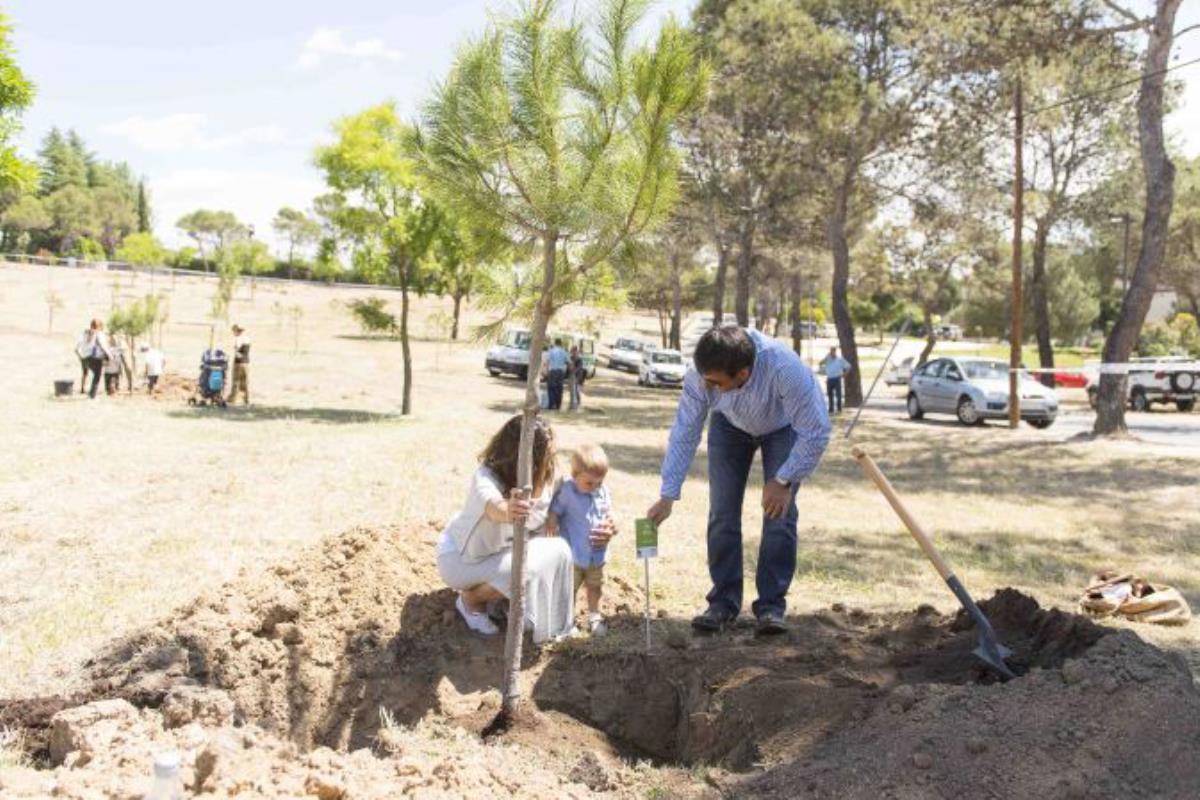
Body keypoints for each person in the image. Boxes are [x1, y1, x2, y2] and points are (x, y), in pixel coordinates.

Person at [645, 326, 831, 636]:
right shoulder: (700, 374)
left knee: (779, 515)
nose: (708, 387)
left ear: (743, 374)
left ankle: (771, 607)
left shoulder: (785, 368)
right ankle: (723, 603)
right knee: (722, 511)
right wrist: (668, 494)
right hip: (730, 427)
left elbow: (816, 431)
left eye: (717, 383)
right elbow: (685, 430)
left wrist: (783, 479)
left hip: (783, 428)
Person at [436, 414, 580, 643]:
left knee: (559, 548)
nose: (554, 455)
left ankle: (546, 620)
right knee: (520, 568)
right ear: (524, 456)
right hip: (463, 558)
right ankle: (471, 600)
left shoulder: (550, 476)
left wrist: (605, 522)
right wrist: (508, 510)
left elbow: (579, 498)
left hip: (506, 551)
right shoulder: (486, 477)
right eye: (548, 452)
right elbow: (494, 506)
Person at [547, 443, 616, 636]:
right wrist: (552, 522)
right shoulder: (568, 492)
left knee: (595, 586)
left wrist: (612, 525)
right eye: (589, 483)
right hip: (573, 554)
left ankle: (594, 616)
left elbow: (610, 515)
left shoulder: (602, 491)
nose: (595, 487)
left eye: (599, 483)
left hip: (597, 554)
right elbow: (555, 510)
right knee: (569, 589)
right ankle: (565, 621)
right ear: (575, 474)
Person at [78, 320, 111, 399]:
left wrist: (80, 355)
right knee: (97, 375)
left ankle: (86, 391)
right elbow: (102, 345)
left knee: (88, 373)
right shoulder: (98, 333)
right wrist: (109, 355)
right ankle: (92, 395)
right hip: (94, 357)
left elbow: (78, 345)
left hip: (84, 357)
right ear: (99, 326)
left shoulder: (85, 332)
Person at [822, 346, 852, 414]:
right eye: (831, 351)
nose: (832, 353)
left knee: (838, 395)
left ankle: (839, 408)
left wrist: (845, 374)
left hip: (837, 378)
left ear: (835, 352)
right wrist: (826, 357)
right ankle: (831, 408)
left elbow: (849, 366)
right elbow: (821, 363)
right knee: (830, 395)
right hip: (829, 378)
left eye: (833, 351)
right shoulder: (827, 359)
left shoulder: (840, 360)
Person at [227, 324, 251, 405]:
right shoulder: (247, 338)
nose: (233, 333)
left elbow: (237, 352)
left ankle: (233, 399)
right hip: (246, 362)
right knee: (245, 382)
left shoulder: (238, 339)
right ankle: (246, 399)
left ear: (237, 330)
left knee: (235, 381)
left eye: (234, 331)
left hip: (239, 363)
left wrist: (236, 354)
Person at [544, 339, 569, 410]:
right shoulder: (564, 352)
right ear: (561, 344)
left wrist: (546, 371)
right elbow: (569, 362)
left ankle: (551, 405)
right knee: (559, 388)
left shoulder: (551, 351)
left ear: (555, 343)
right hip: (561, 372)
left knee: (551, 388)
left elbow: (547, 361)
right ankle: (558, 405)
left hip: (553, 371)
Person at [568, 345, 586, 411]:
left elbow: (579, 368)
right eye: (571, 351)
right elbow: (569, 366)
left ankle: (578, 403)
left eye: (572, 351)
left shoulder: (579, 359)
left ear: (575, 351)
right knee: (572, 390)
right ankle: (572, 403)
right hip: (572, 376)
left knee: (577, 390)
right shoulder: (571, 358)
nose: (571, 352)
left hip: (578, 377)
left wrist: (573, 370)